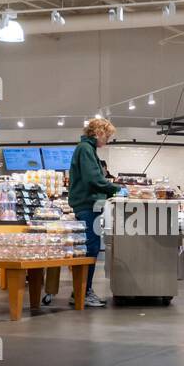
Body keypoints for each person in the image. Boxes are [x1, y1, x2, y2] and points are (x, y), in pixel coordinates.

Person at [67, 117, 123, 307]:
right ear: (98, 133)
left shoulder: (87, 149)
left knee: (89, 248)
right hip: (87, 206)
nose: (107, 140)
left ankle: (81, 291)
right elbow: (93, 179)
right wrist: (115, 189)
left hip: (88, 205)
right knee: (90, 249)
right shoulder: (85, 150)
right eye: (107, 136)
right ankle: (83, 291)